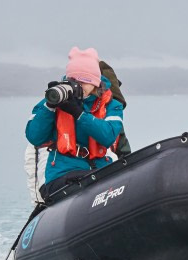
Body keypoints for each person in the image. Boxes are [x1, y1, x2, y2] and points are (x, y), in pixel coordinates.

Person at [25, 47, 125, 200]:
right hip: (63, 173)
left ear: (95, 82)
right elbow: (34, 137)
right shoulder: (56, 100)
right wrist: (49, 107)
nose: (79, 86)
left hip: (100, 169)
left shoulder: (111, 105)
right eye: (74, 81)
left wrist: (78, 114)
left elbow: (108, 136)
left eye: (84, 81)